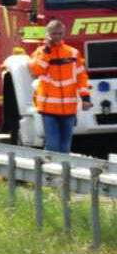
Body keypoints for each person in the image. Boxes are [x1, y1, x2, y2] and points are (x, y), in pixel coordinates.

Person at [30, 19, 91, 154]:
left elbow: (81, 77)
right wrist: (47, 51)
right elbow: (36, 70)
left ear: (64, 34)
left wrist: (86, 98)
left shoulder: (73, 53)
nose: (57, 37)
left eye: (59, 34)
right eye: (53, 34)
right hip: (49, 109)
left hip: (69, 109)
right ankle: (51, 172)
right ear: (48, 35)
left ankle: (62, 174)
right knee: (52, 145)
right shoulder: (41, 52)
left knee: (65, 147)